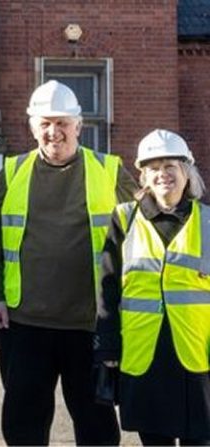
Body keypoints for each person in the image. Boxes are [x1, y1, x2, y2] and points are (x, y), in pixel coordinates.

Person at [0, 80, 137, 445]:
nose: (54, 132)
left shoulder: (110, 171)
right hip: (24, 322)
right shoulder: (13, 171)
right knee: (24, 422)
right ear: (33, 127)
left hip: (90, 324)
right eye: (45, 123)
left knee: (96, 424)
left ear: (78, 126)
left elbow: (142, 231)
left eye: (63, 123)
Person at [95, 129, 210, 446]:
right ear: (143, 175)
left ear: (186, 171)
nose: (163, 175)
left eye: (170, 166)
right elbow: (107, 291)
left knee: (199, 439)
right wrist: (106, 347)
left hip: (196, 355)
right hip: (144, 352)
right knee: (154, 441)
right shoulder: (124, 218)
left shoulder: (207, 221)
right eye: (154, 167)